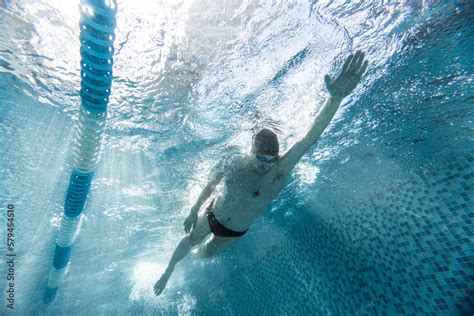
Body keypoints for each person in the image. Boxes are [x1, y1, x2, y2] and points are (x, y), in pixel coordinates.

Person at [154, 50, 369, 296]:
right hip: (213, 214)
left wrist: (335, 98)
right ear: (251, 152)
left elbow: (308, 138)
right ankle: (168, 272)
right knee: (191, 239)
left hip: (234, 233)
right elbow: (210, 185)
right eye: (260, 158)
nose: (266, 165)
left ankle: (190, 263)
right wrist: (194, 210)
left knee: (204, 254)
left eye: (271, 160)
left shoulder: (278, 171)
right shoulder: (234, 162)